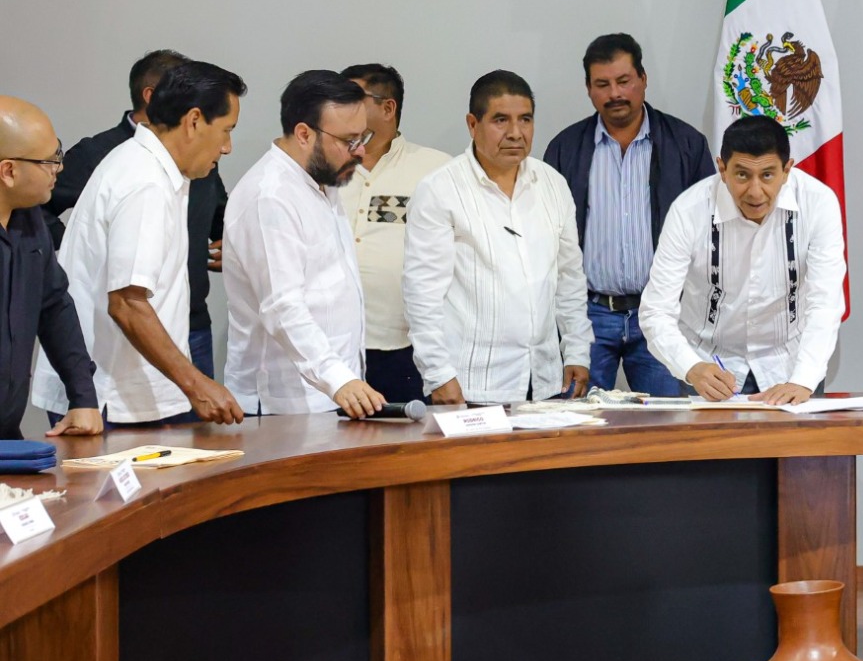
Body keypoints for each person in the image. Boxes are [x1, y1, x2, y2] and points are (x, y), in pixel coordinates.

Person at [32, 63, 247, 427]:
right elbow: (127, 304)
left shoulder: (150, 167)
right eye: (226, 131)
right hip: (110, 396)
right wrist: (196, 383)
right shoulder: (144, 183)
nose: (227, 147)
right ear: (194, 121)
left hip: (124, 388)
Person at [403, 70, 592, 404]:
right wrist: (437, 374)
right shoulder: (440, 190)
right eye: (501, 120)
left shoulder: (552, 184)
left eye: (526, 120)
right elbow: (422, 295)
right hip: (471, 384)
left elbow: (569, 278)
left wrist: (577, 351)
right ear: (472, 125)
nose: (515, 133)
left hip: (545, 379)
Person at [544, 34, 715, 396]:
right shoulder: (565, 148)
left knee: (666, 433)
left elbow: (710, 236)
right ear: (589, 89)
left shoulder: (687, 144)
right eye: (602, 84)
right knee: (576, 431)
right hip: (587, 316)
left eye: (624, 81)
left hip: (663, 315)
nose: (615, 94)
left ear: (643, 79)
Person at [639, 114, 845, 405]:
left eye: (768, 175)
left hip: (790, 366)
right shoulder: (688, 210)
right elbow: (656, 310)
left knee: (800, 451)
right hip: (710, 369)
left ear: (788, 170)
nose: (755, 191)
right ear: (722, 169)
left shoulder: (818, 203)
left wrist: (803, 378)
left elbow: (825, 303)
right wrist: (690, 367)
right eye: (742, 175)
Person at [223, 72, 385, 418]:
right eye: (349, 140)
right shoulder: (270, 196)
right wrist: (338, 378)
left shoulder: (322, 181)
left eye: (364, 136)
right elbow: (283, 306)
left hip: (328, 394)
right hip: (283, 403)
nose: (361, 151)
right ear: (303, 133)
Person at [337, 64, 451, 402]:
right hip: (335, 346)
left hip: (405, 345)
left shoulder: (436, 169)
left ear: (388, 108)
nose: (339, 109)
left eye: (352, 99)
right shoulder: (326, 167)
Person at [0, 98, 101, 439]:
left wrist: (83, 396)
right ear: (9, 171)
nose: (59, 167)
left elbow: (54, 304)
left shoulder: (29, 217)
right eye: (48, 160)